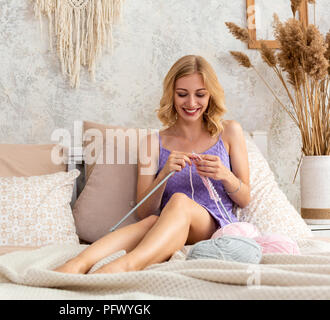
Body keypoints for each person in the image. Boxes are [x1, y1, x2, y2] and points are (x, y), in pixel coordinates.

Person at [54, 55, 250, 274]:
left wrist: (225, 175)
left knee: (179, 202)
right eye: (182, 94)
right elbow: (144, 211)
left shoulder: (230, 132)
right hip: (167, 224)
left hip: (214, 225)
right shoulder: (152, 144)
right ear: (172, 95)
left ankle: (127, 266)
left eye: (200, 95)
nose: (192, 103)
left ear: (211, 95)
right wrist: (164, 173)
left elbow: (245, 199)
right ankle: (76, 264)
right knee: (151, 222)